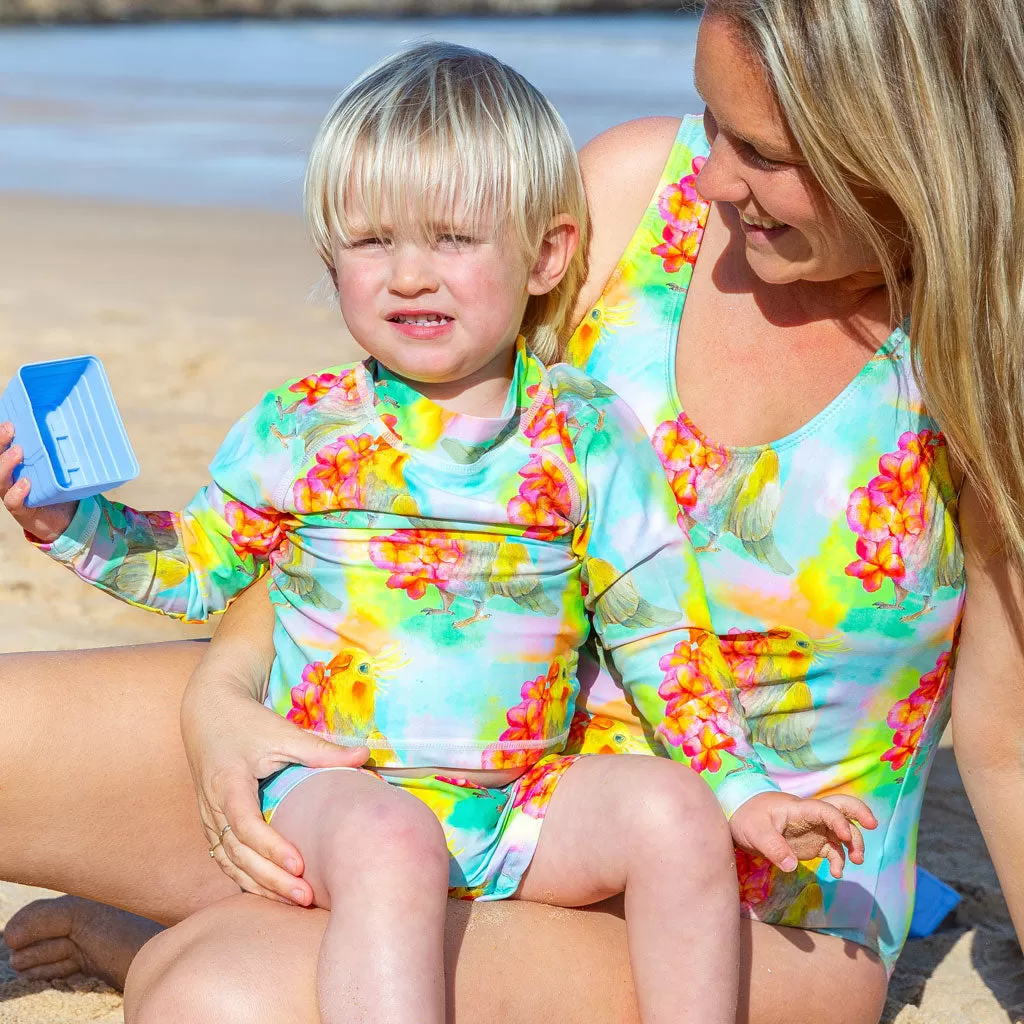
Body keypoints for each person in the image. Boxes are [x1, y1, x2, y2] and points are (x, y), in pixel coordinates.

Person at [2, 1, 1023, 1021]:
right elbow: (388, 498)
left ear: (894, 135)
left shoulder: (991, 350)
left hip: (740, 891)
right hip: (398, 745)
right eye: (707, 121)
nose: (711, 178)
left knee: (221, 994)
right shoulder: (633, 195)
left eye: (758, 148)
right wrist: (220, 697)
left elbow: (1006, 737)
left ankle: (159, 940)